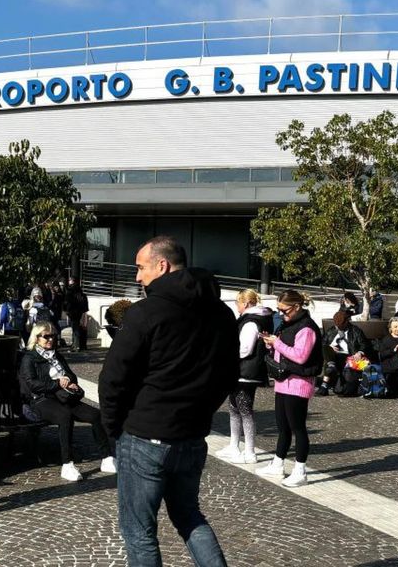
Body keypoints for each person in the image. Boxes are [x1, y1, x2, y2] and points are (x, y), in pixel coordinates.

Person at [99, 235, 236, 567]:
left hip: (145, 435)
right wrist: (200, 413)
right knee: (189, 516)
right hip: (191, 436)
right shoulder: (222, 314)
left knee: (139, 531)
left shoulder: (145, 312)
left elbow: (113, 379)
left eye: (140, 268)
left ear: (162, 265)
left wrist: (116, 429)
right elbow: (228, 375)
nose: (137, 277)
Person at [19, 321, 115, 481]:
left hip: (63, 396)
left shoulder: (57, 356)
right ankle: (67, 464)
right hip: (42, 400)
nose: (50, 339)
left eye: (53, 336)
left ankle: (106, 458)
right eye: (46, 336)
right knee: (65, 416)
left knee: (95, 415)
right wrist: (57, 383)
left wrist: (69, 381)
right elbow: (32, 384)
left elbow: (71, 374)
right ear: (36, 338)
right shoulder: (29, 358)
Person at [255, 289, 320, 487]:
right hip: (283, 380)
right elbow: (283, 349)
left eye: (284, 310)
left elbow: (300, 356)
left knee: (297, 427)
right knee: (283, 427)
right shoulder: (287, 324)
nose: (281, 314)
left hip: (298, 383)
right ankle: (278, 463)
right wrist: (271, 344)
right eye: (279, 310)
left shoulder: (307, 328)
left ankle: (300, 470)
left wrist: (278, 344)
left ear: (297, 307)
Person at [217, 289, 272, 464]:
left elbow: (245, 349)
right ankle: (234, 445)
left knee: (245, 410)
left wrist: (226, 355)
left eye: (238, 303)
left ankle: (249, 451)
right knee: (234, 408)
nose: (237, 306)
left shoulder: (251, 322)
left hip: (245, 372)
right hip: (241, 371)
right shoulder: (253, 320)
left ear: (246, 303)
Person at [65, 277, 90, 351]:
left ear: (73, 281)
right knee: (81, 328)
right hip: (80, 312)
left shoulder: (70, 291)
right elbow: (85, 306)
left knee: (75, 329)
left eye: (70, 280)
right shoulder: (81, 293)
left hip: (73, 313)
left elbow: (67, 303)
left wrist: (67, 311)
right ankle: (81, 345)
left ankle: (76, 345)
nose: (69, 281)